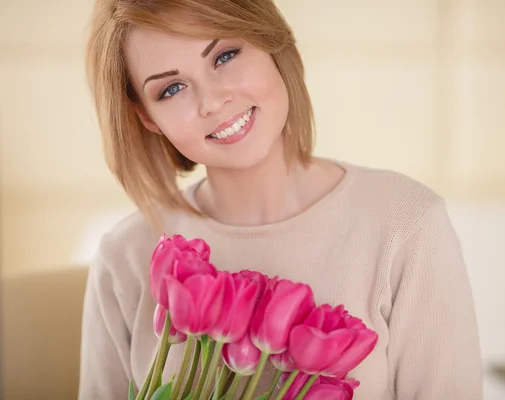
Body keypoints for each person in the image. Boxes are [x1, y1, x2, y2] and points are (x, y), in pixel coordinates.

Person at [79, 0, 483, 399]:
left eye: (225, 56)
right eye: (172, 88)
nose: (213, 101)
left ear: (271, 43)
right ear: (148, 116)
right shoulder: (125, 257)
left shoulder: (407, 224)